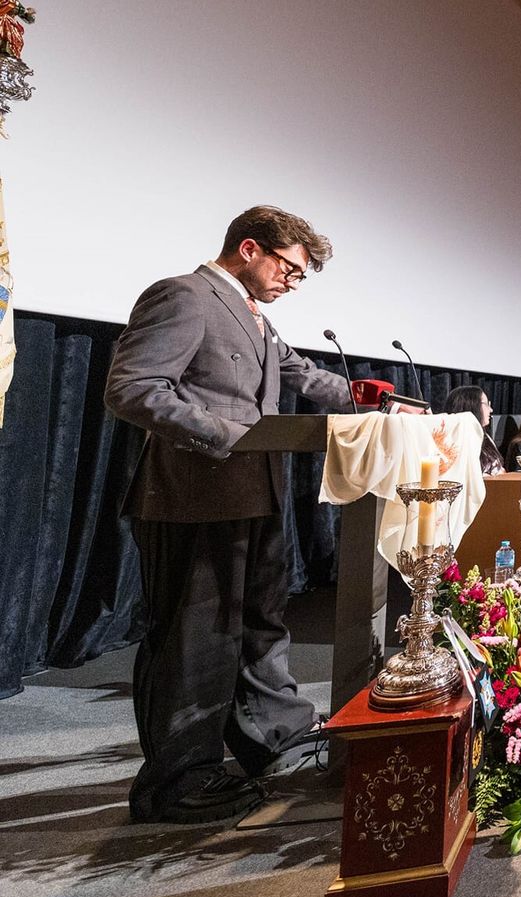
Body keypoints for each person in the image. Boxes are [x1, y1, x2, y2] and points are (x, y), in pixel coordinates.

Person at [104, 206, 351, 823]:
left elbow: (302, 376)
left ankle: (273, 739)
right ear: (249, 249)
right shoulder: (184, 296)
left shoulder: (256, 317)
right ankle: (178, 780)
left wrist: (383, 404)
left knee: (260, 625)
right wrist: (230, 436)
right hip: (193, 498)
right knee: (196, 641)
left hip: (256, 497)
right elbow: (132, 387)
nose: (294, 282)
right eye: (290, 269)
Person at [444, 385, 505, 476]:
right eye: (487, 404)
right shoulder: (454, 441)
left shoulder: (486, 437)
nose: (491, 409)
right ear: (471, 405)